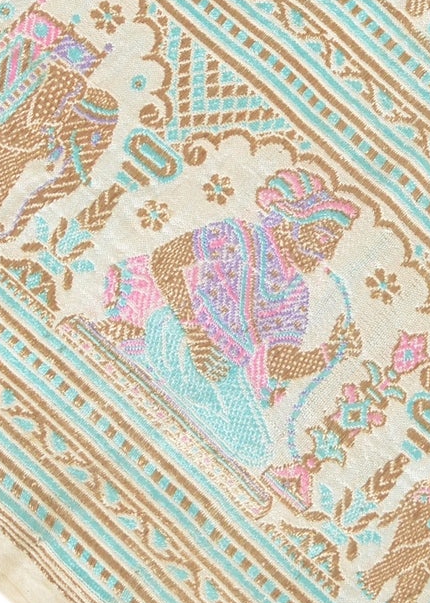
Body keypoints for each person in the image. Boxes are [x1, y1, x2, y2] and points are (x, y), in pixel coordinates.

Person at [94, 168, 361, 467]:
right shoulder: (237, 235)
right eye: (324, 237)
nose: (327, 252)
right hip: (179, 333)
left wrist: (329, 352)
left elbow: (279, 362)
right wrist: (194, 334)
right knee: (175, 359)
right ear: (292, 222)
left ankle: (163, 391)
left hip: (223, 371)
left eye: (333, 243)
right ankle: (152, 368)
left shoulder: (296, 292)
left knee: (257, 453)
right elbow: (164, 260)